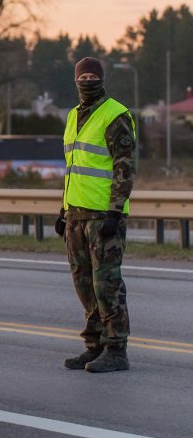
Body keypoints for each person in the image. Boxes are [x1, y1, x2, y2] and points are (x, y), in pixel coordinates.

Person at [54, 57, 136, 373]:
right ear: (76, 81)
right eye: (82, 76)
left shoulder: (115, 115)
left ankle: (116, 349)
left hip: (104, 216)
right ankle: (94, 345)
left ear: (101, 79)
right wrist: (63, 210)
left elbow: (124, 167)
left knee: (107, 283)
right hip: (76, 214)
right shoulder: (73, 116)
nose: (87, 80)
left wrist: (115, 211)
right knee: (84, 284)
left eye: (93, 76)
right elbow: (73, 168)